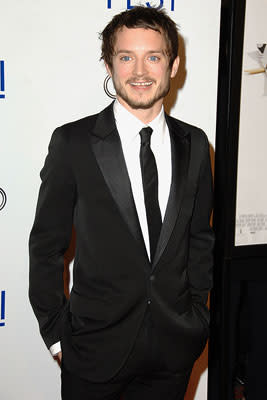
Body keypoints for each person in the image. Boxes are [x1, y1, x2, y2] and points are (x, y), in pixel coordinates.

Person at [29, 6, 214, 400]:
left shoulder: (196, 144)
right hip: (93, 354)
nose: (140, 71)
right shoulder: (73, 143)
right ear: (109, 66)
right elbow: (46, 246)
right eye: (126, 57)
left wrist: (197, 318)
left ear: (174, 65)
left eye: (154, 57)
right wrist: (57, 337)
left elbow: (200, 240)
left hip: (172, 355)